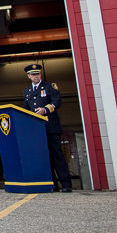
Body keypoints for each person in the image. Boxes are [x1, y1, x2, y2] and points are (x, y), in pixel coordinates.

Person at [23, 64, 72, 192]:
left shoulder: (50, 86)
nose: (36, 76)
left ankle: (66, 184)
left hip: (50, 127)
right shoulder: (27, 92)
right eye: (33, 74)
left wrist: (45, 109)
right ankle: (52, 184)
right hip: (37, 131)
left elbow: (57, 102)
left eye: (38, 74)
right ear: (28, 76)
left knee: (57, 155)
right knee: (45, 156)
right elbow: (26, 109)